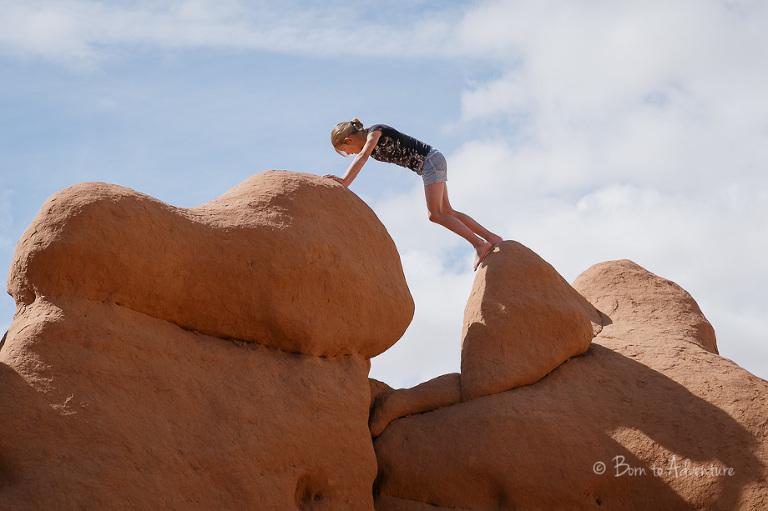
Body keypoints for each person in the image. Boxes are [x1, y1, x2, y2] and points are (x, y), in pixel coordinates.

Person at [325, 119, 503, 271]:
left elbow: (362, 156)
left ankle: (479, 244)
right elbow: (363, 154)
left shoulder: (375, 131)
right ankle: (491, 238)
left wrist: (344, 181)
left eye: (346, 151)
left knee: (435, 214)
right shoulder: (370, 145)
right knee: (447, 211)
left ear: (349, 140)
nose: (350, 154)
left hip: (430, 162)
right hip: (431, 162)